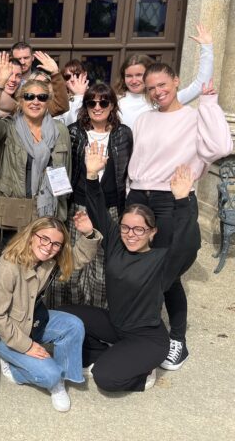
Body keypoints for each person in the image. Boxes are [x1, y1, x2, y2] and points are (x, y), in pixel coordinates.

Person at [60, 149, 201, 392]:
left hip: (147, 339)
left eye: (139, 229)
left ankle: (144, 374)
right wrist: (92, 176)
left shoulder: (162, 261)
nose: (131, 234)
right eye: (125, 227)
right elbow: (99, 212)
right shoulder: (116, 243)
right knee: (64, 316)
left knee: (104, 378)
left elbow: (186, 243)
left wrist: (182, 201)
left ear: (152, 232)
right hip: (115, 325)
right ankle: (110, 353)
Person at [126, 68, 232, 370]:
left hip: (171, 198)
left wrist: (209, 104)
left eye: (162, 84)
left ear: (176, 82)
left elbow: (222, 147)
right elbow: (138, 160)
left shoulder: (194, 117)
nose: (157, 91)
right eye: (151, 87)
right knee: (138, 266)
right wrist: (129, 195)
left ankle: (177, 339)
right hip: (138, 196)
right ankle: (139, 330)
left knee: (168, 271)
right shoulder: (144, 119)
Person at [0, 214, 102, 412]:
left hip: (33, 321)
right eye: (44, 238)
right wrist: (27, 346)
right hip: (4, 334)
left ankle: (60, 378)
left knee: (73, 325)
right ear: (31, 236)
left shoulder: (50, 260)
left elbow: (77, 258)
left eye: (56, 244)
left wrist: (89, 234)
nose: (49, 247)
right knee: (49, 375)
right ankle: (17, 371)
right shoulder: (7, 267)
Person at [48, 83, 132, 309]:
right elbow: (63, 167)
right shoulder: (74, 132)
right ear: (85, 106)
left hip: (109, 207)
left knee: (103, 263)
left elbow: (126, 173)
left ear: (112, 105)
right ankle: (66, 311)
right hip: (79, 205)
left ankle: (98, 314)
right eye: (91, 102)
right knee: (73, 260)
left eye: (103, 102)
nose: (97, 107)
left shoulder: (123, 134)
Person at [0, 53, 71, 226]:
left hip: (50, 215)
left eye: (41, 97)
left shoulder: (60, 130)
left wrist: (55, 74)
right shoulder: (9, 128)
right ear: (20, 101)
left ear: (48, 102)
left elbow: (67, 171)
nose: (35, 101)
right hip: (14, 216)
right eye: (29, 96)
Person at [115, 24, 213, 129]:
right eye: (129, 76)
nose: (134, 81)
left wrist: (207, 48)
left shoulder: (162, 97)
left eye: (139, 75)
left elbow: (200, 86)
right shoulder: (115, 100)